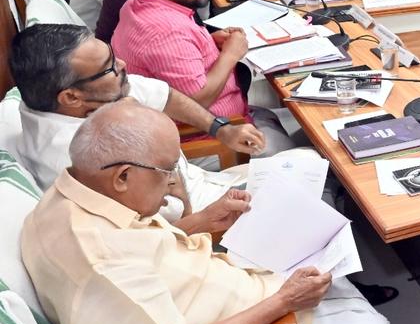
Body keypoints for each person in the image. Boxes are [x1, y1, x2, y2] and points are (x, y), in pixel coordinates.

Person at [21, 100, 409, 324]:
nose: (173, 180)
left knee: (337, 284)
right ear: (123, 176)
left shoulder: (77, 193)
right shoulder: (100, 263)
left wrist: (202, 223)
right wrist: (283, 301)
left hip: (226, 295)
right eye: (166, 170)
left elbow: (145, 248)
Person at [7, 23, 264, 216]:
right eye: (109, 67)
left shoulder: (91, 93)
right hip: (202, 221)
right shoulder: (77, 161)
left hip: (204, 184)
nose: (123, 64)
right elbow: (157, 240)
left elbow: (164, 95)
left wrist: (220, 129)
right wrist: (186, 202)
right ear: (71, 97)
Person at [111, 0, 300, 156]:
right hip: (211, 136)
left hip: (232, 117)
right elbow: (196, 101)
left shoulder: (137, 3)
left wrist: (208, 42)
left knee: (296, 121)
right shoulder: (165, 30)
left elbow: (172, 56)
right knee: (318, 158)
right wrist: (231, 54)